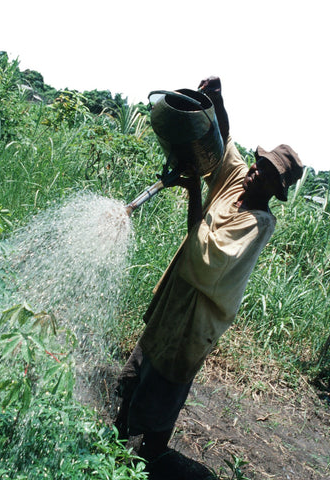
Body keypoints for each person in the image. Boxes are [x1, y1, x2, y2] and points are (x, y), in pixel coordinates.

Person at [114, 76, 304, 467]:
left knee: (169, 375)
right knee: (147, 356)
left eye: (265, 173)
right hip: (176, 299)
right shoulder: (237, 184)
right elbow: (225, 146)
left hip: (196, 316)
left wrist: (192, 192)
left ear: (274, 188)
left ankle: (151, 455)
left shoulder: (258, 222)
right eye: (258, 164)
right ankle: (116, 434)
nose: (254, 171)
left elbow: (210, 257)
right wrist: (216, 99)